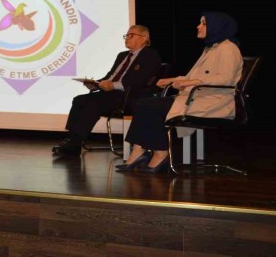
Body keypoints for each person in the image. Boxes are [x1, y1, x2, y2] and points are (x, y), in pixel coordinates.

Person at [119, 12, 243, 173]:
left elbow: (224, 79)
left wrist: (190, 82)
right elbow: (193, 76)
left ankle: (159, 152)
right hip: (198, 97)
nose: (198, 26)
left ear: (216, 26)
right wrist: (172, 79)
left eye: (203, 23)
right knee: (145, 103)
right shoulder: (212, 48)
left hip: (213, 101)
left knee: (152, 106)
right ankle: (139, 150)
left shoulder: (228, 49)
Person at [52, 25, 162, 156]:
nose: (127, 38)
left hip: (128, 96)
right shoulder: (122, 55)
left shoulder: (150, 55)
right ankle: (72, 140)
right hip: (109, 93)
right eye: (126, 35)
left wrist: (113, 86)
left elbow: (140, 80)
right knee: (79, 100)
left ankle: (74, 143)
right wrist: (96, 84)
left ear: (144, 38)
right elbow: (110, 76)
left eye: (131, 35)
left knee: (94, 103)